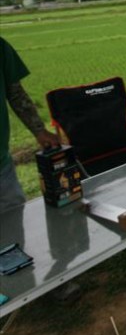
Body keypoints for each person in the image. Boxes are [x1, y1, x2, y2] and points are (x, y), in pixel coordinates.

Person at [1, 36, 59, 212]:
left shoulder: (1, 47)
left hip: (1, 167)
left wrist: (39, 130)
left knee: (12, 218)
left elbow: (15, 94)